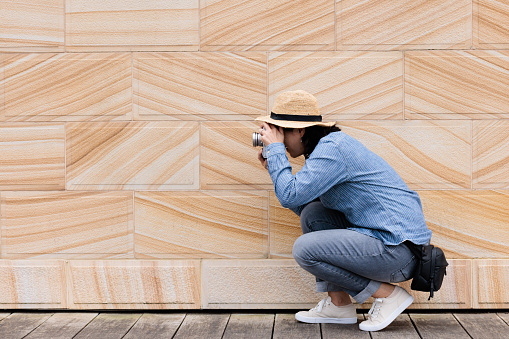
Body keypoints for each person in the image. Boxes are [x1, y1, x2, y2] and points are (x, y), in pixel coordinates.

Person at [256, 90, 432, 332]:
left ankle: (389, 295)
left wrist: (276, 153)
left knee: (304, 249)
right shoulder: (326, 151)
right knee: (314, 214)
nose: (279, 141)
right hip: (387, 243)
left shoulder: (333, 150)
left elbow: (289, 195)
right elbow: (301, 203)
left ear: (300, 131)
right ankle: (339, 306)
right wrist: (273, 165)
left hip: (399, 250)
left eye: (281, 132)